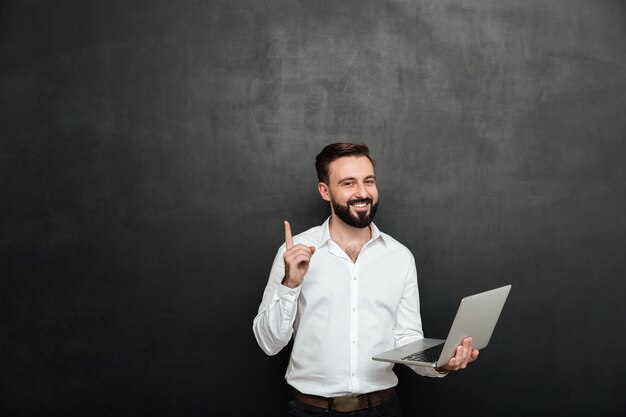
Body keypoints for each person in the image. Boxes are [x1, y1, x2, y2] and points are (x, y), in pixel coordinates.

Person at [253, 143, 479, 416]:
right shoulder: (293, 252)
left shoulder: (400, 256)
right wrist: (290, 284)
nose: (362, 193)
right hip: (311, 410)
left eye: (368, 181)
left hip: (382, 409)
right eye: (348, 183)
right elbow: (269, 343)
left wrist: (441, 363)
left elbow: (407, 338)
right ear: (325, 191)